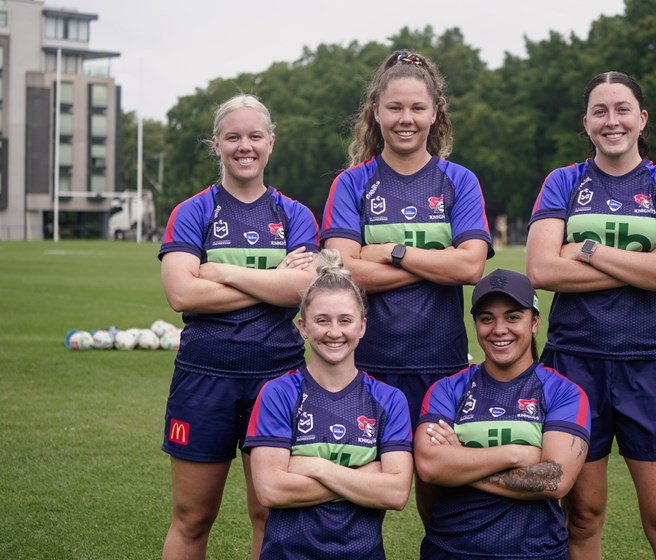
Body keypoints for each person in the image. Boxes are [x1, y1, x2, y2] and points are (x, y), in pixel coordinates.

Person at [526, 71, 656, 560]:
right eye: (600, 112)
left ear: (641, 119)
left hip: (651, 366)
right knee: (581, 517)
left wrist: (587, 249)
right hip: (574, 368)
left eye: (622, 109)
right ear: (586, 123)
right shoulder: (563, 182)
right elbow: (541, 268)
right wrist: (647, 265)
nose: (612, 121)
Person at [320, 50, 493, 521]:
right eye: (394, 107)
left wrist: (394, 252)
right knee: (353, 504)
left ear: (435, 112)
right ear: (376, 112)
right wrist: (439, 261)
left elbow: (472, 267)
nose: (406, 119)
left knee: (443, 509)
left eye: (417, 108)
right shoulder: (352, 185)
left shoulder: (460, 181)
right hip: (364, 370)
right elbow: (340, 273)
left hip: (442, 369)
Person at [158, 94, 320, 560]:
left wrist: (223, 272)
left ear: (271, 142)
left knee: (270, 513)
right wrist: (275, 281)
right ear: (217, 144)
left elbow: (305, 291)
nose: (243, 146)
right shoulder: (192, 212)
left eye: (254, 136)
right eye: (233, 137)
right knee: (192, 519)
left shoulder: (295, 215)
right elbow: (182, 295)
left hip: (278, 381)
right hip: (203, 379)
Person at [243, 249, 414, 560]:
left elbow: (396, 493)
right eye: (322, 320)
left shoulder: (390, 400)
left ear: (362, 326)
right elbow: (271, 490)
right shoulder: (278, 394)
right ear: (303, 326)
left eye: (345, 320)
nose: (334, 332)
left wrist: (314, 466)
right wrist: (364, 475)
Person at [414, 269, 591, 560]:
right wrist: (515, 454)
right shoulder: (447, 390)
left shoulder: (565, 392)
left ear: (534, 323)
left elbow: (554, 479)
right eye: (487, 318)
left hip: (536, 552)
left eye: (512, 317)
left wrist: (460, 466)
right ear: (475, 325)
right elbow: (430, 467)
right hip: (450, 549)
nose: (499, 329)